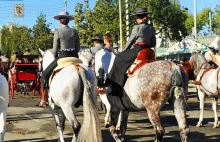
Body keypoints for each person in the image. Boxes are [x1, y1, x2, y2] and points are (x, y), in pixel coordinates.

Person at [104, 8, 156, 96]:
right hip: (148, 51)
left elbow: (130, 41)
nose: (136, 19)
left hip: (138, 49)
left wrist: (123, 51)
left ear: (138, 18)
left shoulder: (137, 27)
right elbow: (153, 43)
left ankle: (115, 84)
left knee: (119, 58)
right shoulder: (152, 28)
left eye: (136, 18)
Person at [38, 11, 80, 107]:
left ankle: (44, 99)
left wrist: (55, 55)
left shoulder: (58, 32)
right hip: (74, 57)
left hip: (63, 56)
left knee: (44, 75)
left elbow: (55, 50)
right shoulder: (75, 32)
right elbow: (78, 48)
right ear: (68, 21)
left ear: (60, 21)